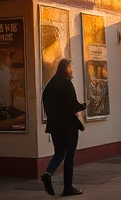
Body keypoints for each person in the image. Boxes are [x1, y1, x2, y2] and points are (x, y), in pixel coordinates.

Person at [40, 58, 86, 197]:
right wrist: (83, 105)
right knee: (70, 155)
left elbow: (45, 103)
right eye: (71, 68)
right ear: (65, 69)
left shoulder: (50, 84)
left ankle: (48, 173)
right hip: (69, 125)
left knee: (59, 153)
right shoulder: (66, 83)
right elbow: (73, 105)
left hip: (54, 125)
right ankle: (68, 187)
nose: (72, 71)